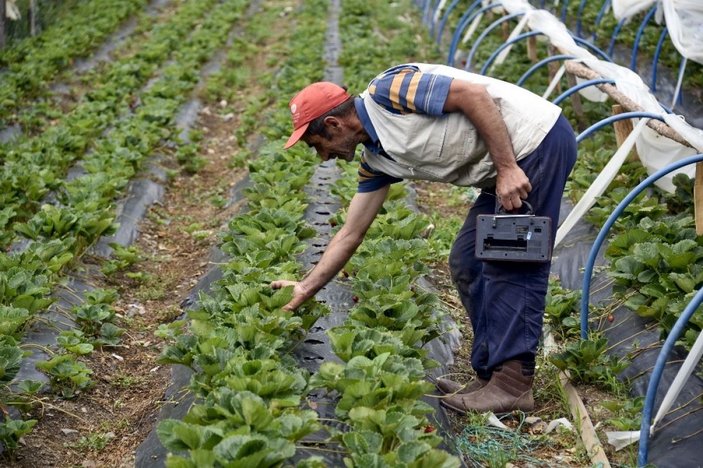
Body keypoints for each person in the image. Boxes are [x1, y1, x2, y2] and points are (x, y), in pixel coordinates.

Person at [271, 63, 577, 414]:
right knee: (468, 261)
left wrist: (507, 168)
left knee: (511, 260)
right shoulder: (377, 160)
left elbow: (473, 95)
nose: (323, 157)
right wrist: (305, 288)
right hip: (503, 165)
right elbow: (350, 233)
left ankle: (513, 384)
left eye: (317, 146)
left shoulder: (390, 92)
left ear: (334, 124)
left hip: (535, 145)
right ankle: (490, 373)